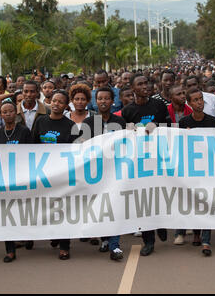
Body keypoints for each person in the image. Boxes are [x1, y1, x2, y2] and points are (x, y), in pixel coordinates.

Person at [122, 74, 170, 256]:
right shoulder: (128, 111)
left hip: (159, 158)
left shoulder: (158, 105)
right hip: (139, 161)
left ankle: (162, 224)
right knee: (143, 199)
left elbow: (169, 127)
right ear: (133, 89)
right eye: (140, 84)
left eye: (146, 83)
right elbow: (124, 136)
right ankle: (148, 241)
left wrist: (154, 126)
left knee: (160, 195)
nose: (145, 86)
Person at [32, 89, 79, 260]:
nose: (56, 104)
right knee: (46, 207)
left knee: (62, 208)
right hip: (43, 173)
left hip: (62, 174)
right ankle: (54, 235)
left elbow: (75, 151)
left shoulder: (71, 126)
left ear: (66, 106)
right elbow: (32, 146)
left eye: (60, 102)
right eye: (53, 101)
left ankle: (64, 245)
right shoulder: (40, 122)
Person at [82, 86, 126, 261]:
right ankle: (105, 239)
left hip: (116, 171)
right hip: (96, 172)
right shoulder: (88, 123)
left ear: (112, 100)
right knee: (100, 207)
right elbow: (83, 148)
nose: (103, 101)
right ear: (95, 101)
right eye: (100, 98)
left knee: (115, 205)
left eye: (107, 98)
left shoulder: (121, 122)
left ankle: (115, 246)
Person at [177, 87, 215, 255]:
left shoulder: (212, 121)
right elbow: (179, 146)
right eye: (195, 100)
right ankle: (195, 232)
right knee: (194, 201)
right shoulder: (184, 123)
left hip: (207, 168)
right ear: (189, 103)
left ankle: (206, 241)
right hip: (191, 169)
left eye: (201, 99)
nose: (199, 102)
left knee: (206, 202)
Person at [0, 99, 33, 262]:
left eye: (10, 111)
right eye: (4, 112)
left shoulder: (24, 132)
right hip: (5, 181)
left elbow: (32, 154)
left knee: (25, 211)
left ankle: (28, 236)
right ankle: (10, 250)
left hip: (23, 178)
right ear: (1, 115)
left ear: (15, 114)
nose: (8, 114)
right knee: (7, 214)